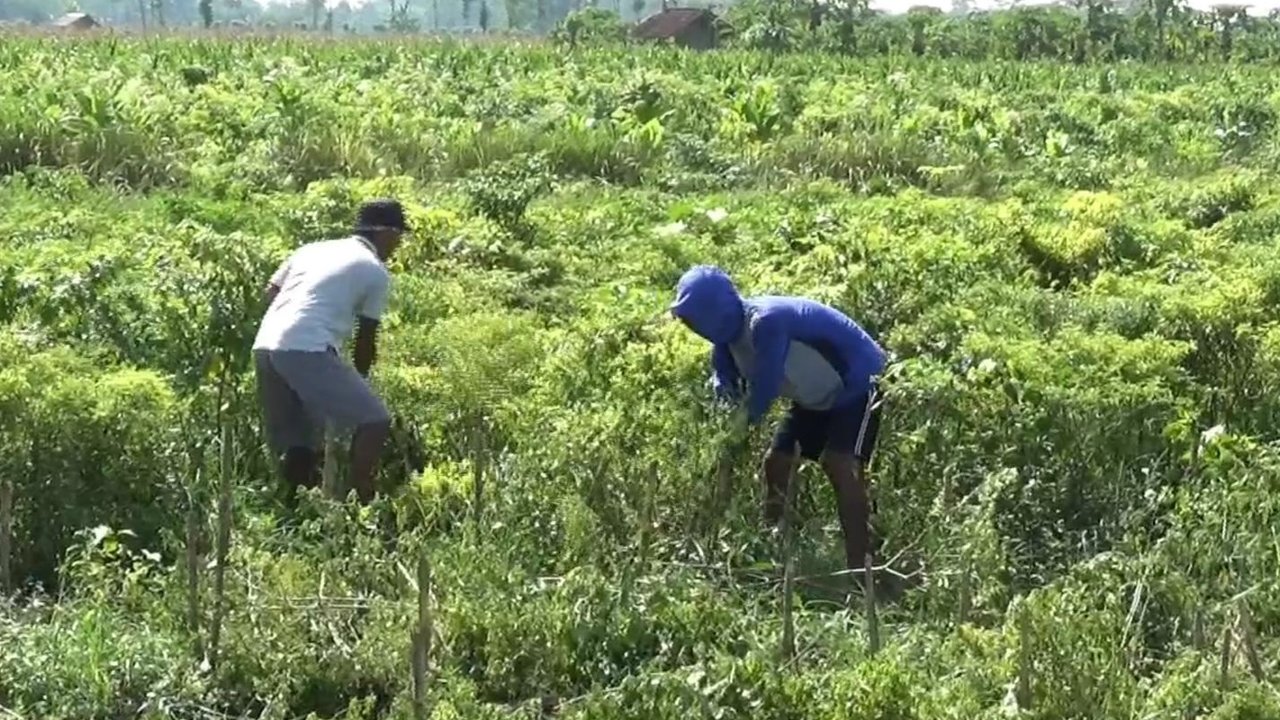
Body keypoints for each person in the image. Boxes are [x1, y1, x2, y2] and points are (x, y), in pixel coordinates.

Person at [670, 264, 887, 572]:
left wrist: (736, 433)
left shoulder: (765, 321)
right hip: (813, 398)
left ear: (713, 310)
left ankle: (863, 568)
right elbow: (727, 389)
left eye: (693, 316)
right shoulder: (725, 347)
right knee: (777, 462)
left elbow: (765, 387)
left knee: (841, 465)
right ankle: (775, 553)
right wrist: (721, 396)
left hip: (858, 385)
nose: (691, 325)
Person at [251, 199, 409, 506]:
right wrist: (360, 383)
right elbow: (365, 340)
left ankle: (294, 513)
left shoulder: (311, 250)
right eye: (398, 236)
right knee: (374, 420)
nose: (398, 245)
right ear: (386, 233)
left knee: (299, 443)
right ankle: (361, 503)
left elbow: (270, 292)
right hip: (306, 348)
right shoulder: (374, 271)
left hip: (266, 345)